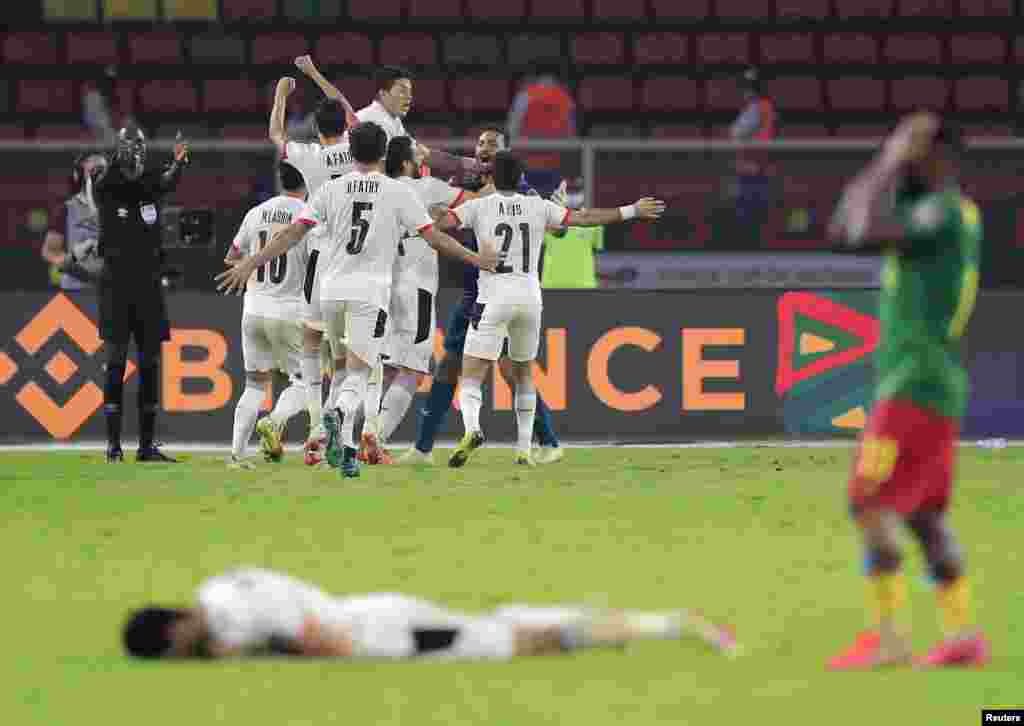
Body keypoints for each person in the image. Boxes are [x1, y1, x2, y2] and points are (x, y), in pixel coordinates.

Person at [217, 122, 497, 479]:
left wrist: (251, 263)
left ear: (352, 154)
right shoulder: (399, 193)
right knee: (359, 375)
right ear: (382, 154)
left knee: (341, 370)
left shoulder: (330, 189)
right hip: (368, 293)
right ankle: (338, 424)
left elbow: (291, 234)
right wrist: (475, 259)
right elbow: (435, 239)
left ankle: (343, 450)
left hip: (330, 292)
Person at [826, 112, 989, 669]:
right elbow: (842, 231)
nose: (903, 155)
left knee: (866, 501)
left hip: (914, 384)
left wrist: (888, 160)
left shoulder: (941, 211)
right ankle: (963, 635)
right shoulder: (942, 214)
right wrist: (888, 164)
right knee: (921, 514)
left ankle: (889, 639)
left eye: (914, 148)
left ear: (935, 156)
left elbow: (861, 232)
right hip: (932, 384)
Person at [440, 152, 664, 467]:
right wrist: (632, 210)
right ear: (520, 179)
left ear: (491, 178)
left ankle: (474, 428)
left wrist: (428, 202)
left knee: (473, 373)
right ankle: (523, 449)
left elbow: (440, 223)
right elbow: (583, 218)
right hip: (530, 297)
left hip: (493, 295)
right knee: (524, 373)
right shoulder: (538, 206)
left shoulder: (478, 206)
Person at [122, 567, 739, 660]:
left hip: (387, 632)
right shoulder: (222, 590)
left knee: (518, 638)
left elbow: (314, 632)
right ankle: (642, 625)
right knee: (514, 631)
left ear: (177, 625)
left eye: (183, 650)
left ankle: (668, 624)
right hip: (378, 617)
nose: (194, 657)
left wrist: (318, 638)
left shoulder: (235, 612)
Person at [397, 128, 564, 466]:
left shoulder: (519, 191)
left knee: (507, 371)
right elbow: (451, 167)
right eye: (481, 144)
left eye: (492, 145)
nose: (484, 149)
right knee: (451, 367)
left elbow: (556, 227)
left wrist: (559, 217)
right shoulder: (475, 188)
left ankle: (546, 440)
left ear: (504, 155)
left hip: (501, 294)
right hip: (476, 293)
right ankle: (424, 447)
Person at [269, 75, 355, 466]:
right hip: (355, 261)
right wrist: (324, 82)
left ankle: (317, 425)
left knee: (309, 341)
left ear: (319, 129)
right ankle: (331, 427)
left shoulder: (309, 156)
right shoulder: (361, 150)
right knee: (342, 357)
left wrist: (281, 95)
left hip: (320, 257)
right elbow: (352, 116)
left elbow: (275, 134)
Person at [93, 125, 190, 463]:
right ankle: (113, 446)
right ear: (119, 149)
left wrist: (179, 163)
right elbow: (104, 180)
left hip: (148, 287)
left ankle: (146, 446)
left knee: (150, 364)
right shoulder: (108, 183)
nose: (135, 151)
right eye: (129, 145)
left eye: (139, 145)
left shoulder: (150, 182)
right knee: (115, 364)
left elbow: (165, 182)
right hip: (116, 287)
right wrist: (111, 163)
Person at [223, 163, 311, 469]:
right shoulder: (308, 214)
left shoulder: (256, 213)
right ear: (307, 179)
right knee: (304, 383)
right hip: (289, 309)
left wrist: (252, 265)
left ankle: (236, 455)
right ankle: (274, 422)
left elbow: (231, 258)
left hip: (254, 307)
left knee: (254, 385)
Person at [41, 152, 108, 291]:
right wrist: (72, 265)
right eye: (94, 171)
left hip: (110, 291)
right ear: (79, 175)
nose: (99, 176)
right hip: (75, 291)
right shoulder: (67, 209)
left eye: (103, 171)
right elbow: (49, 250)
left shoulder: (120, 209)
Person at [507, 74, 576, 197]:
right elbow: (571, 133)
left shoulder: (525, 95)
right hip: (555, 164)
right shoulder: (565, 97)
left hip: (528, 164)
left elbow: (512, 129)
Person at [728, 68, 777, 226]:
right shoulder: (758, 107)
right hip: (752, 164)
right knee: (750, 204)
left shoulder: (761, 107)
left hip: (754, 164)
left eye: (751, 87)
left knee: (751, 207)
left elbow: (737, 133)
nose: (746, 91)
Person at [541, 178, 604, 289]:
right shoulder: (546, 219)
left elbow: (597, 257)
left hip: (585, 286)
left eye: (576, 191)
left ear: (583, 193)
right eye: (568, 192)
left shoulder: (594, 220)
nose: (572, 195)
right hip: (551, 286)